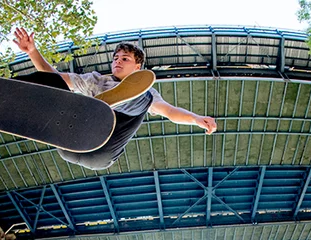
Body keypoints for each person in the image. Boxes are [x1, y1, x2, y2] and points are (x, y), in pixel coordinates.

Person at [11, 27, 218, 170]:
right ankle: (11, 88)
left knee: (144, 98)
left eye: (125, 59)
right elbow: (53, 78)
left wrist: (195, 118)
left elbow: (169, 111)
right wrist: (32, 51)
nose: (118, 62)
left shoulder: (146, 92)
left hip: (104, 151)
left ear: (138, 67)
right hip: (72, 145)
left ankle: (111, 104)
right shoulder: (95, 80)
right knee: (54, 84)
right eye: (116, 58)